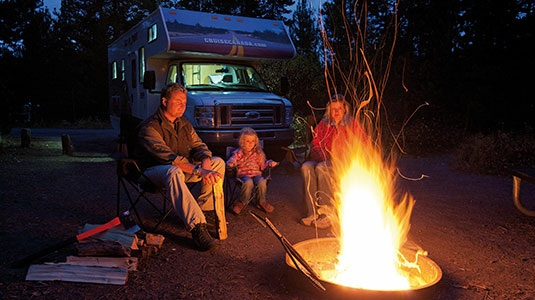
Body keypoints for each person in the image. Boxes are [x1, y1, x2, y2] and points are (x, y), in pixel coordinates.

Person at [135, 83, 225, 251]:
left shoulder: (183, 123)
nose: (182, 106)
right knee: (173, 170)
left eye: (184, 102)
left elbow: (199, 145)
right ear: (164, 101)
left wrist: (205, 161)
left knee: (218, 163)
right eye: (177, 101)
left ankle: (204, 211)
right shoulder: (150, 127)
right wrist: (199, 170)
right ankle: (197, 227)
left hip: (182, 171)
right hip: (152, 172)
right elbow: (170, 159)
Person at [300, 94, 356, 229]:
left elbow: (362, 143)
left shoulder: (352, 124)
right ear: (329, 111)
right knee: (306, 166)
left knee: (322, 168)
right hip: (323, 159)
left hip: (343, 162)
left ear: (345, 110)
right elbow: (315, 144)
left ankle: (327, 214)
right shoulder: (323, 124)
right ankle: (313, 212)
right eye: (333, 109)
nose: (336, 112)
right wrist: (323, 157)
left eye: (339, 109)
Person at [227, 127, 278, 215]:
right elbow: (233, 160)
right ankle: (241, 202)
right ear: (242, 142)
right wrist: (231, 163)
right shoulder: (239, 152)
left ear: (256, 142)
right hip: (243, 175)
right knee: (248, 182)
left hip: (256, 174)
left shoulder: (259, 153)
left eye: (252, 141)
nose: (250, 144)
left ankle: (261, 202)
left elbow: (263, 165)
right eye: (247, 141)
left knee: (262, 181)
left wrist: (270, 163)